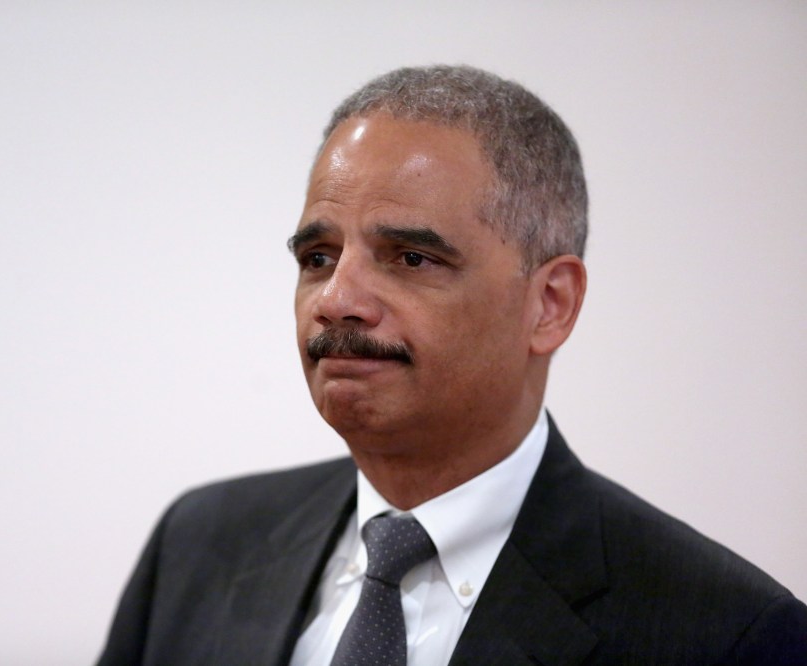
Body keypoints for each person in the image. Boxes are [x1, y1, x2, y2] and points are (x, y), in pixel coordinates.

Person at [97, 65, 807, 665]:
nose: (337, 299)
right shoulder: (198, 545)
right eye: (318, 257)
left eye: (411, 258)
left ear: (550, 304)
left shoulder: (726, 634)